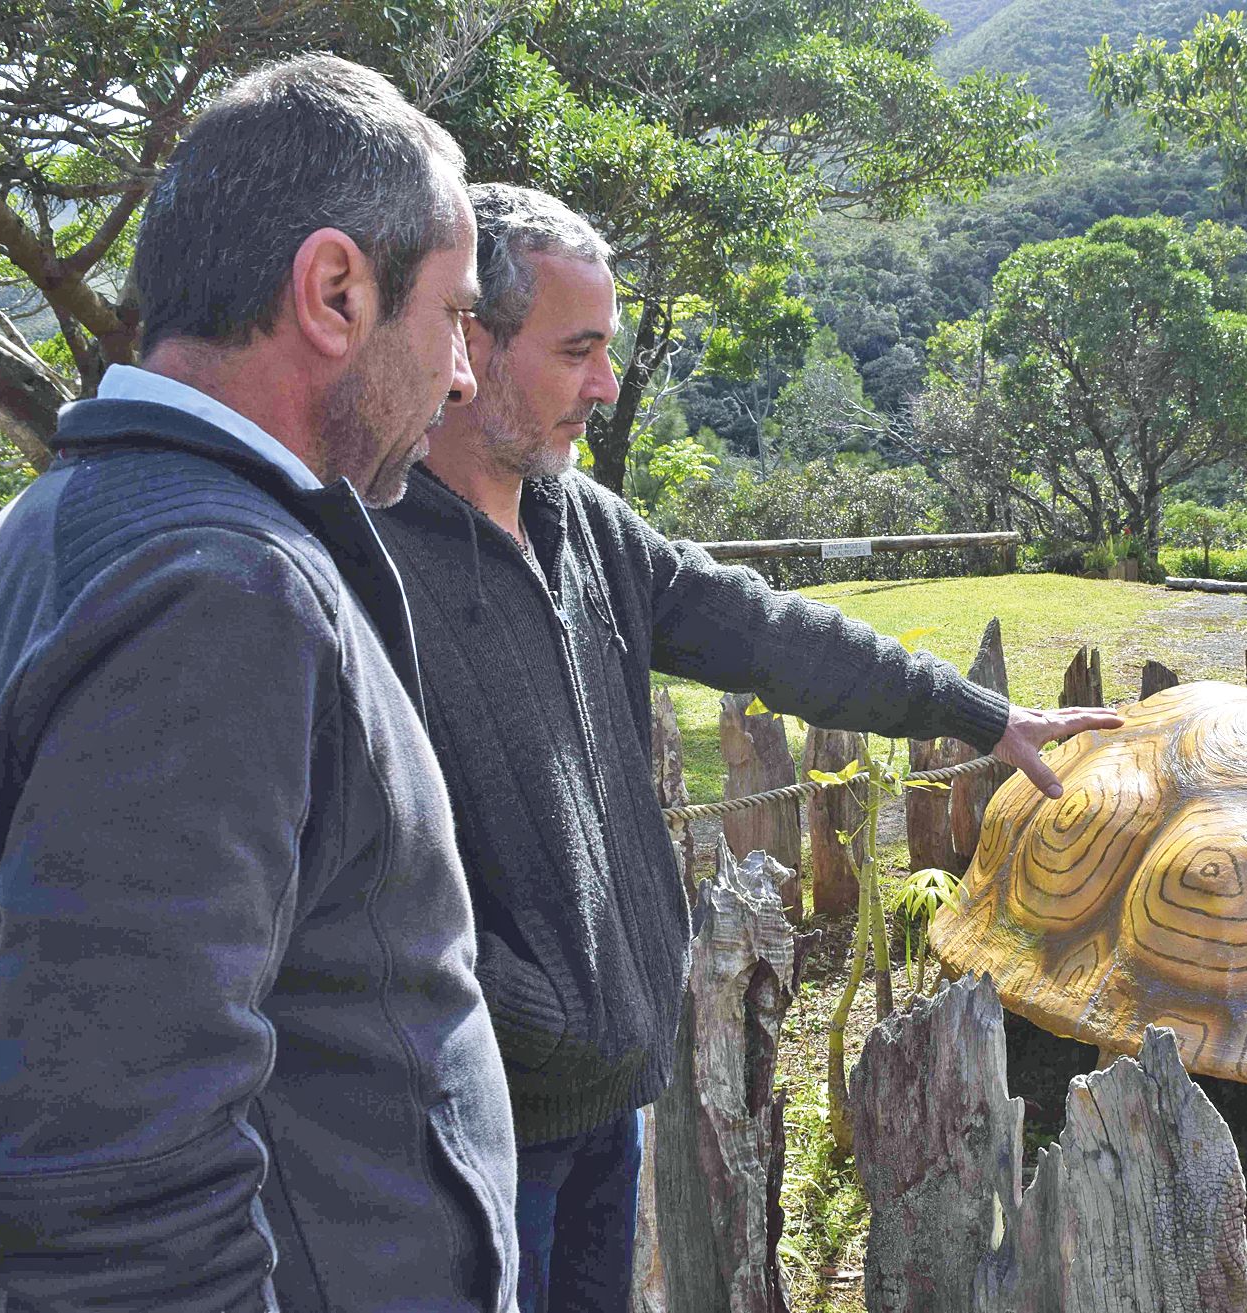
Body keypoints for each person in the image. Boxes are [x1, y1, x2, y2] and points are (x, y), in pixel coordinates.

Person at [373, 182, 1121, 1313]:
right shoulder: (365, 565)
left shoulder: (587, 527)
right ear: (470, 341)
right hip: (471, 1131)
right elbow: (353, 871)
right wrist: (524, 1014)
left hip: (612, 1098)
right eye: (577, 350)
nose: (606, 387)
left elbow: (772, 633)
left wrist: (977, 712)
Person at [0, 57, 519, 1311]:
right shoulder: (221, 590)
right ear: (332, 291)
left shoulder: (37, 534)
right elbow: (115, 1193)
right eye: (452, 316)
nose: (464, 376)